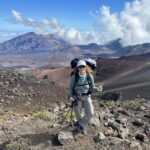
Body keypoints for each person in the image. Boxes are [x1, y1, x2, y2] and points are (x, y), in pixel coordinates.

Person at [69, 60, 103, 134]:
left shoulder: (89, 76)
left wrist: (98, 88)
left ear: (86, 67)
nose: (82, 68)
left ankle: (80, 124)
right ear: (77, 68)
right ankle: (82, 127)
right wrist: (71, 96)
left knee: (90, 112)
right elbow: (71, 88)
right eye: (80, 67)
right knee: (78, 114)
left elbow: (92, 87)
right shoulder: (74, 77)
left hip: (87, 96)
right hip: (77, 97)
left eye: (83, 66)